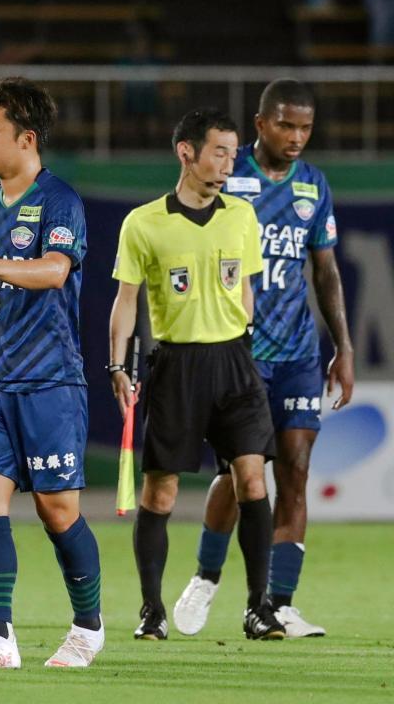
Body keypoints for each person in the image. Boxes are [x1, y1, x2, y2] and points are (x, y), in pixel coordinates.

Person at [173, 81, 354, 638]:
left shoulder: (313, 185)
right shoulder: (228, 175)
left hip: (299, 350)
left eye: (305, 127)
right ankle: (206, 576)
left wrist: (342, 348)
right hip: (241, 350)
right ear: (260, 123)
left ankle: (278, 603)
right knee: (239, 473)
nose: (296, 137)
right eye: (285, 125)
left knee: (294, 472)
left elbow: (324, 271)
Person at [109, 108, 285, 642]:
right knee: (160, 493)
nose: (229, 164)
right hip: (177, 365)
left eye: (233, 153)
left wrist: (247, 332)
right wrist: (118, 364)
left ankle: (259, 606)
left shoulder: (242, 217)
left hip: (235, 362)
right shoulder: (143, 223)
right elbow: (125, 302)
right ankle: (151, 609)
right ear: (186, 152)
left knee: (251, 479)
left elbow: (247, 287)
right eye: (219, 152)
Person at [0, 77, 103, 669]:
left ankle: (87, 628)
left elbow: (56, 270)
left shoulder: (60, 199)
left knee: (57, 511)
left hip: (49, 381)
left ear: (26, 137)